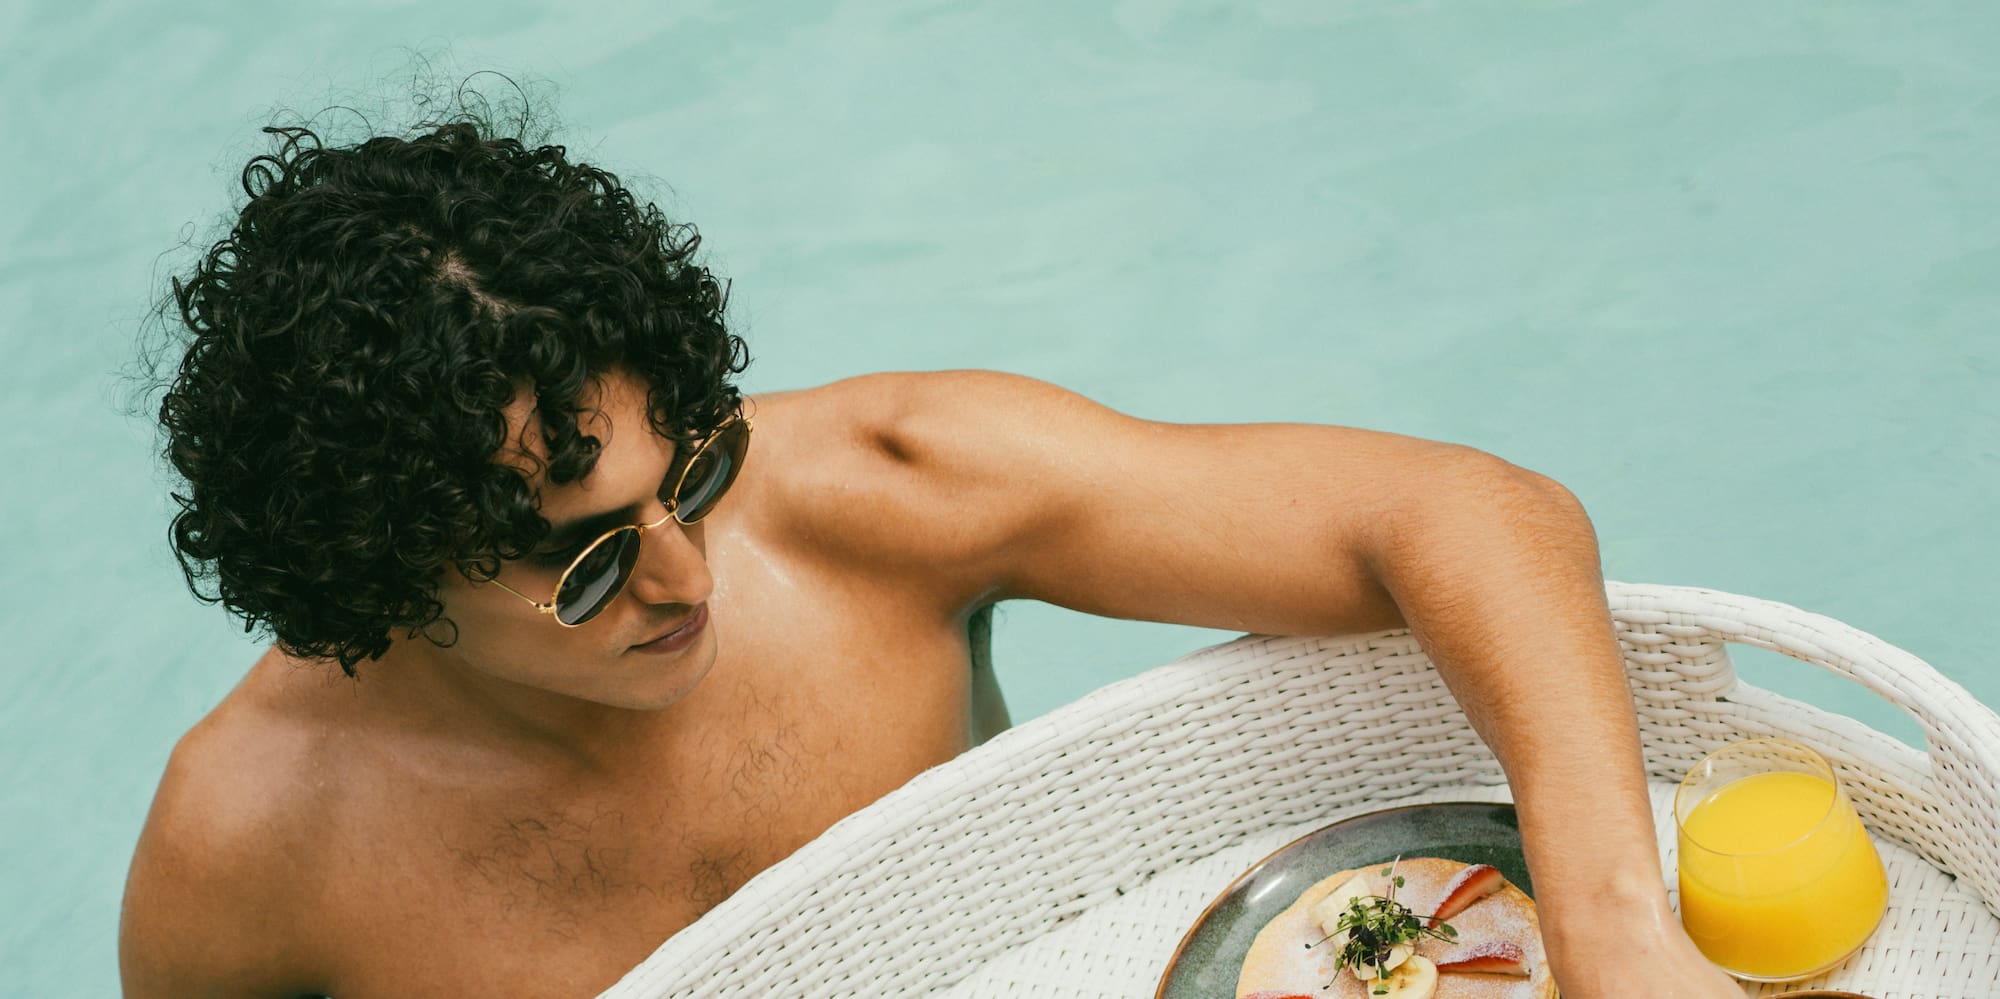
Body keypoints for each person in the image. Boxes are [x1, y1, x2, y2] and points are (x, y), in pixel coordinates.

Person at [120, 117, 1740, 998]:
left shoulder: (877, 491)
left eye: (694, 471)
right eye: (591, 566)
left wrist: (1607, 919)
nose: (693, 577)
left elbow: (1467, 513)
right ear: (382, 590)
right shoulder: (250, 854)